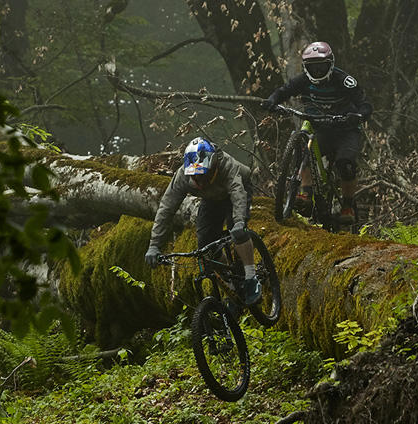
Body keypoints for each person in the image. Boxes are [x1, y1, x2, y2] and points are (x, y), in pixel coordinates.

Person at [143, 137, 262, 305]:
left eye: (202, 175)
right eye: (194, 176)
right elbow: (166, 208)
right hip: (211, 199)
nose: (199, 181)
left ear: (213, 166)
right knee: (206, 246)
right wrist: (154, 245)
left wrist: (240, 222)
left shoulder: (226, 165)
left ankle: (251, 277)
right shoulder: (182, 176)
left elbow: (237, 193)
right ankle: (232, 286)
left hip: (237, 189)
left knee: (237, 231)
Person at [265, 41, 372, 222]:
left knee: (345, 164)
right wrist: (272, 100)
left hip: (346, 130)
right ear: (306, 68)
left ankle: (347, 206)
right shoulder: (303, 80)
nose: (317, 71)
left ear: (331, 64)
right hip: (320, 129)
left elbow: (365, 104)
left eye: (322, 66)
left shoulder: (343, 80)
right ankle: (305, 194)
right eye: (312, 67)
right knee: (306, 153)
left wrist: (359, 116)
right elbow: (284, 90)